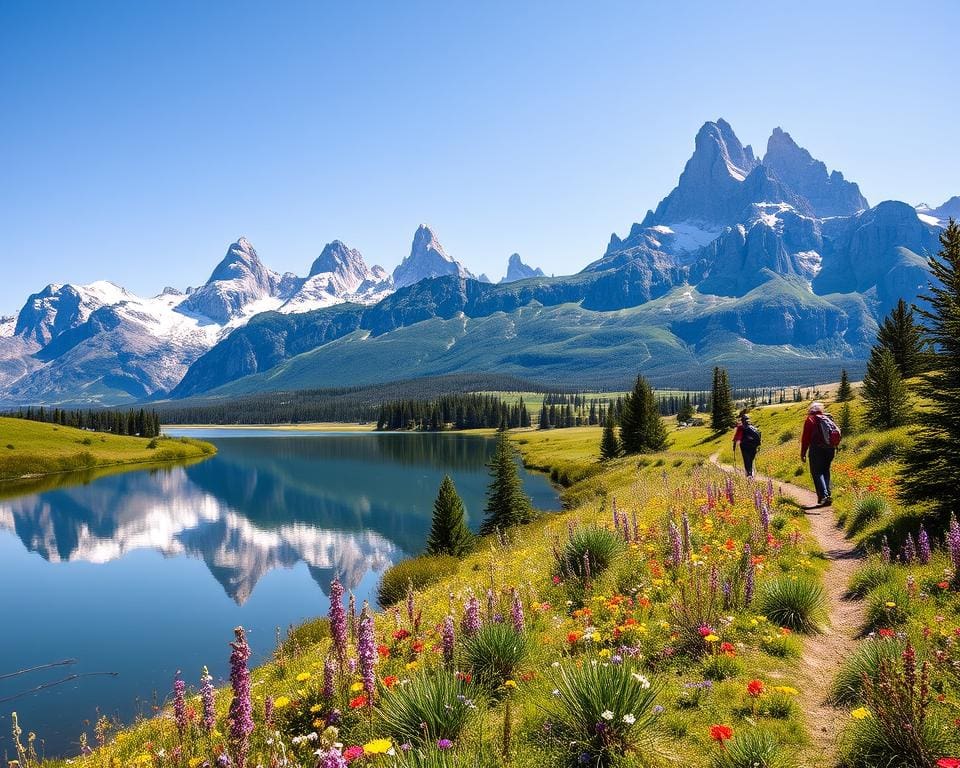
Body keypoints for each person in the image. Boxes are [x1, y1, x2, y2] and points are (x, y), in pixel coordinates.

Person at [800, 401, 834, 506]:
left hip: (816, 449)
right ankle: (827, 494)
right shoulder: (827, 418)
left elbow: (805, 439)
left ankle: (824, 496)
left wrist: (803, 452)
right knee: (825, 471)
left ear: (810, 410)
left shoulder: (810, 420)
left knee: (817, 472)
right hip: (830, 449)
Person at [732, 409, 760, 478]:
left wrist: (734, 446)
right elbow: (758, 436)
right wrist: (758, 445)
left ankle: (749, 474)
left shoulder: (741, 427)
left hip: (744, 446)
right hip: (754, 446)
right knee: (751, 459)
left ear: (742, 421)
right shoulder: (753, 427)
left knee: (746, 459)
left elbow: (736, 437)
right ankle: (751, 472)